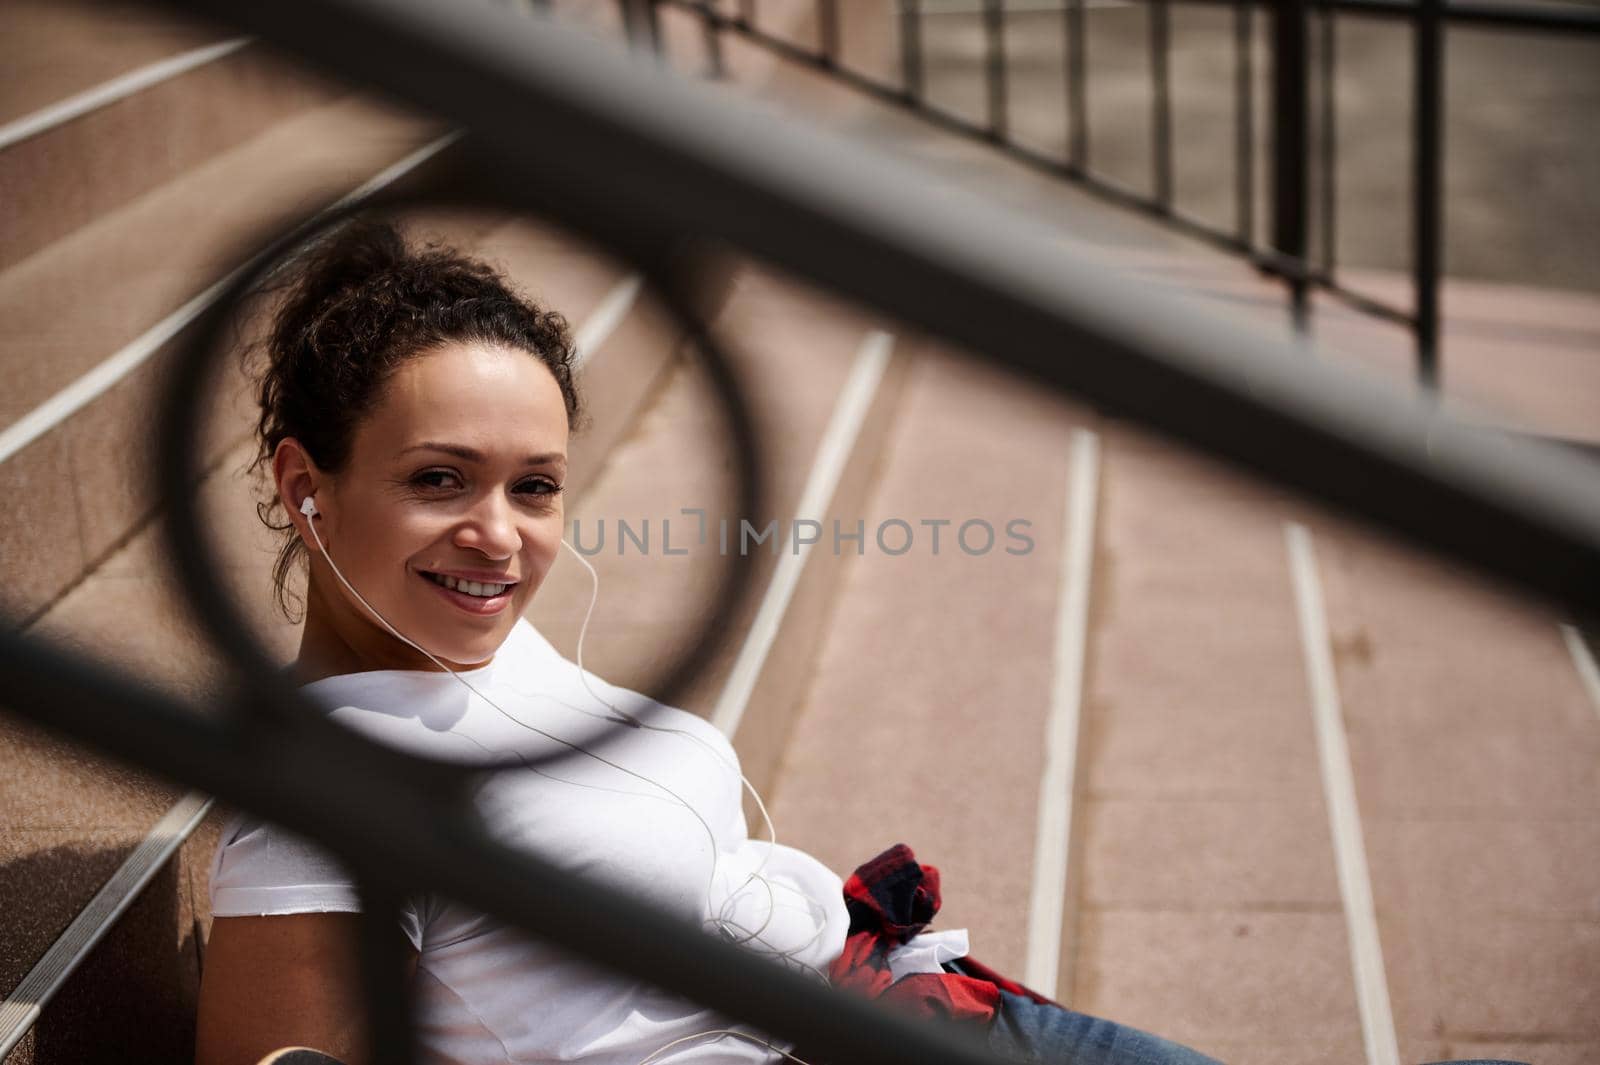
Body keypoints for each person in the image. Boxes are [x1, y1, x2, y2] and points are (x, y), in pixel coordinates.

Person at [192, 219, 1229, 1065]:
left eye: (535, 486)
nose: (500, 535)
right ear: (305, 489)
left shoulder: (472, 649)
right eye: (438, 479)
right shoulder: (321, 793)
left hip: (929, 1009)